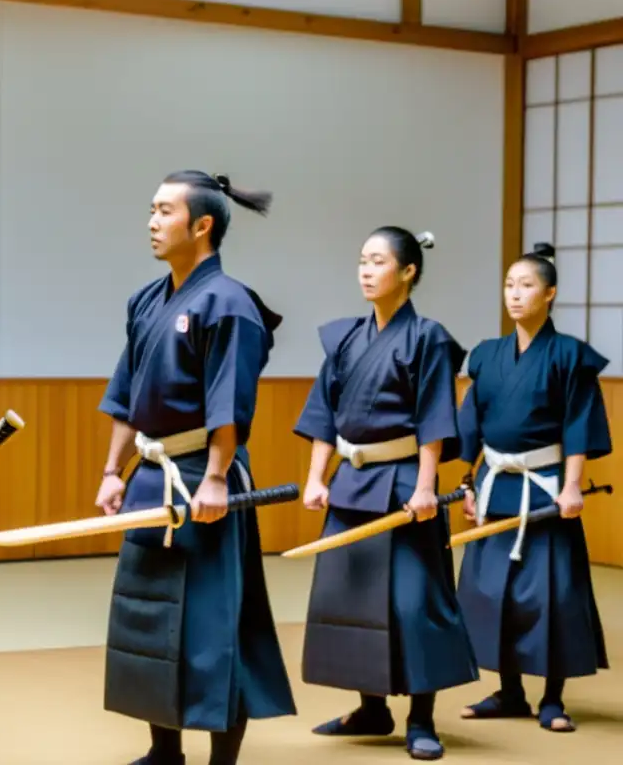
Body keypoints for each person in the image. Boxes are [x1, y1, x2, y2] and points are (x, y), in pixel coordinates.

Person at [94, 170, 296, 765]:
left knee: (212, 624)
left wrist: (214, 478)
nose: (152, 221)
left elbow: (228, 403)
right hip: (153, 476)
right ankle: (164, 750)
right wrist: (113, 470)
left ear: (201, 224)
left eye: (164, 210)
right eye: (151, 209)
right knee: (149, 618)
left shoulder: (230, 304)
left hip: (206, 480)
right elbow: (126, 393)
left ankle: (221, 759)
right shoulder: (146, 300)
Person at [292, 227, 479, 761]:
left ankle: (421, 718)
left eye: (377, 262)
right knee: (350, 601)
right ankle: (371, 706)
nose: (366, 271)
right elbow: (324, 413)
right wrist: (316, 476)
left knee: (413, 603)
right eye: (361, 261)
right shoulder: (346, 338)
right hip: (352, 484)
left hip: (402, 485)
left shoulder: (429, 338)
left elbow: (433, 420)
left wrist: (426, 487)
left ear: (408, 271)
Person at [455, 243, 612, 733]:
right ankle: (509, 692)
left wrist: (572, 487)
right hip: (496, 485)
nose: (515, 294)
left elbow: (579, 426)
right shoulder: (487, 355)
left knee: (551, 597)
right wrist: (467, 482)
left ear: (550, 294)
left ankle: (552, 698)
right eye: (509, 285)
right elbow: (471, 426)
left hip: (545, 490)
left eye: (526, 285)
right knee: (492, 593)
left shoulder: (569, 356)